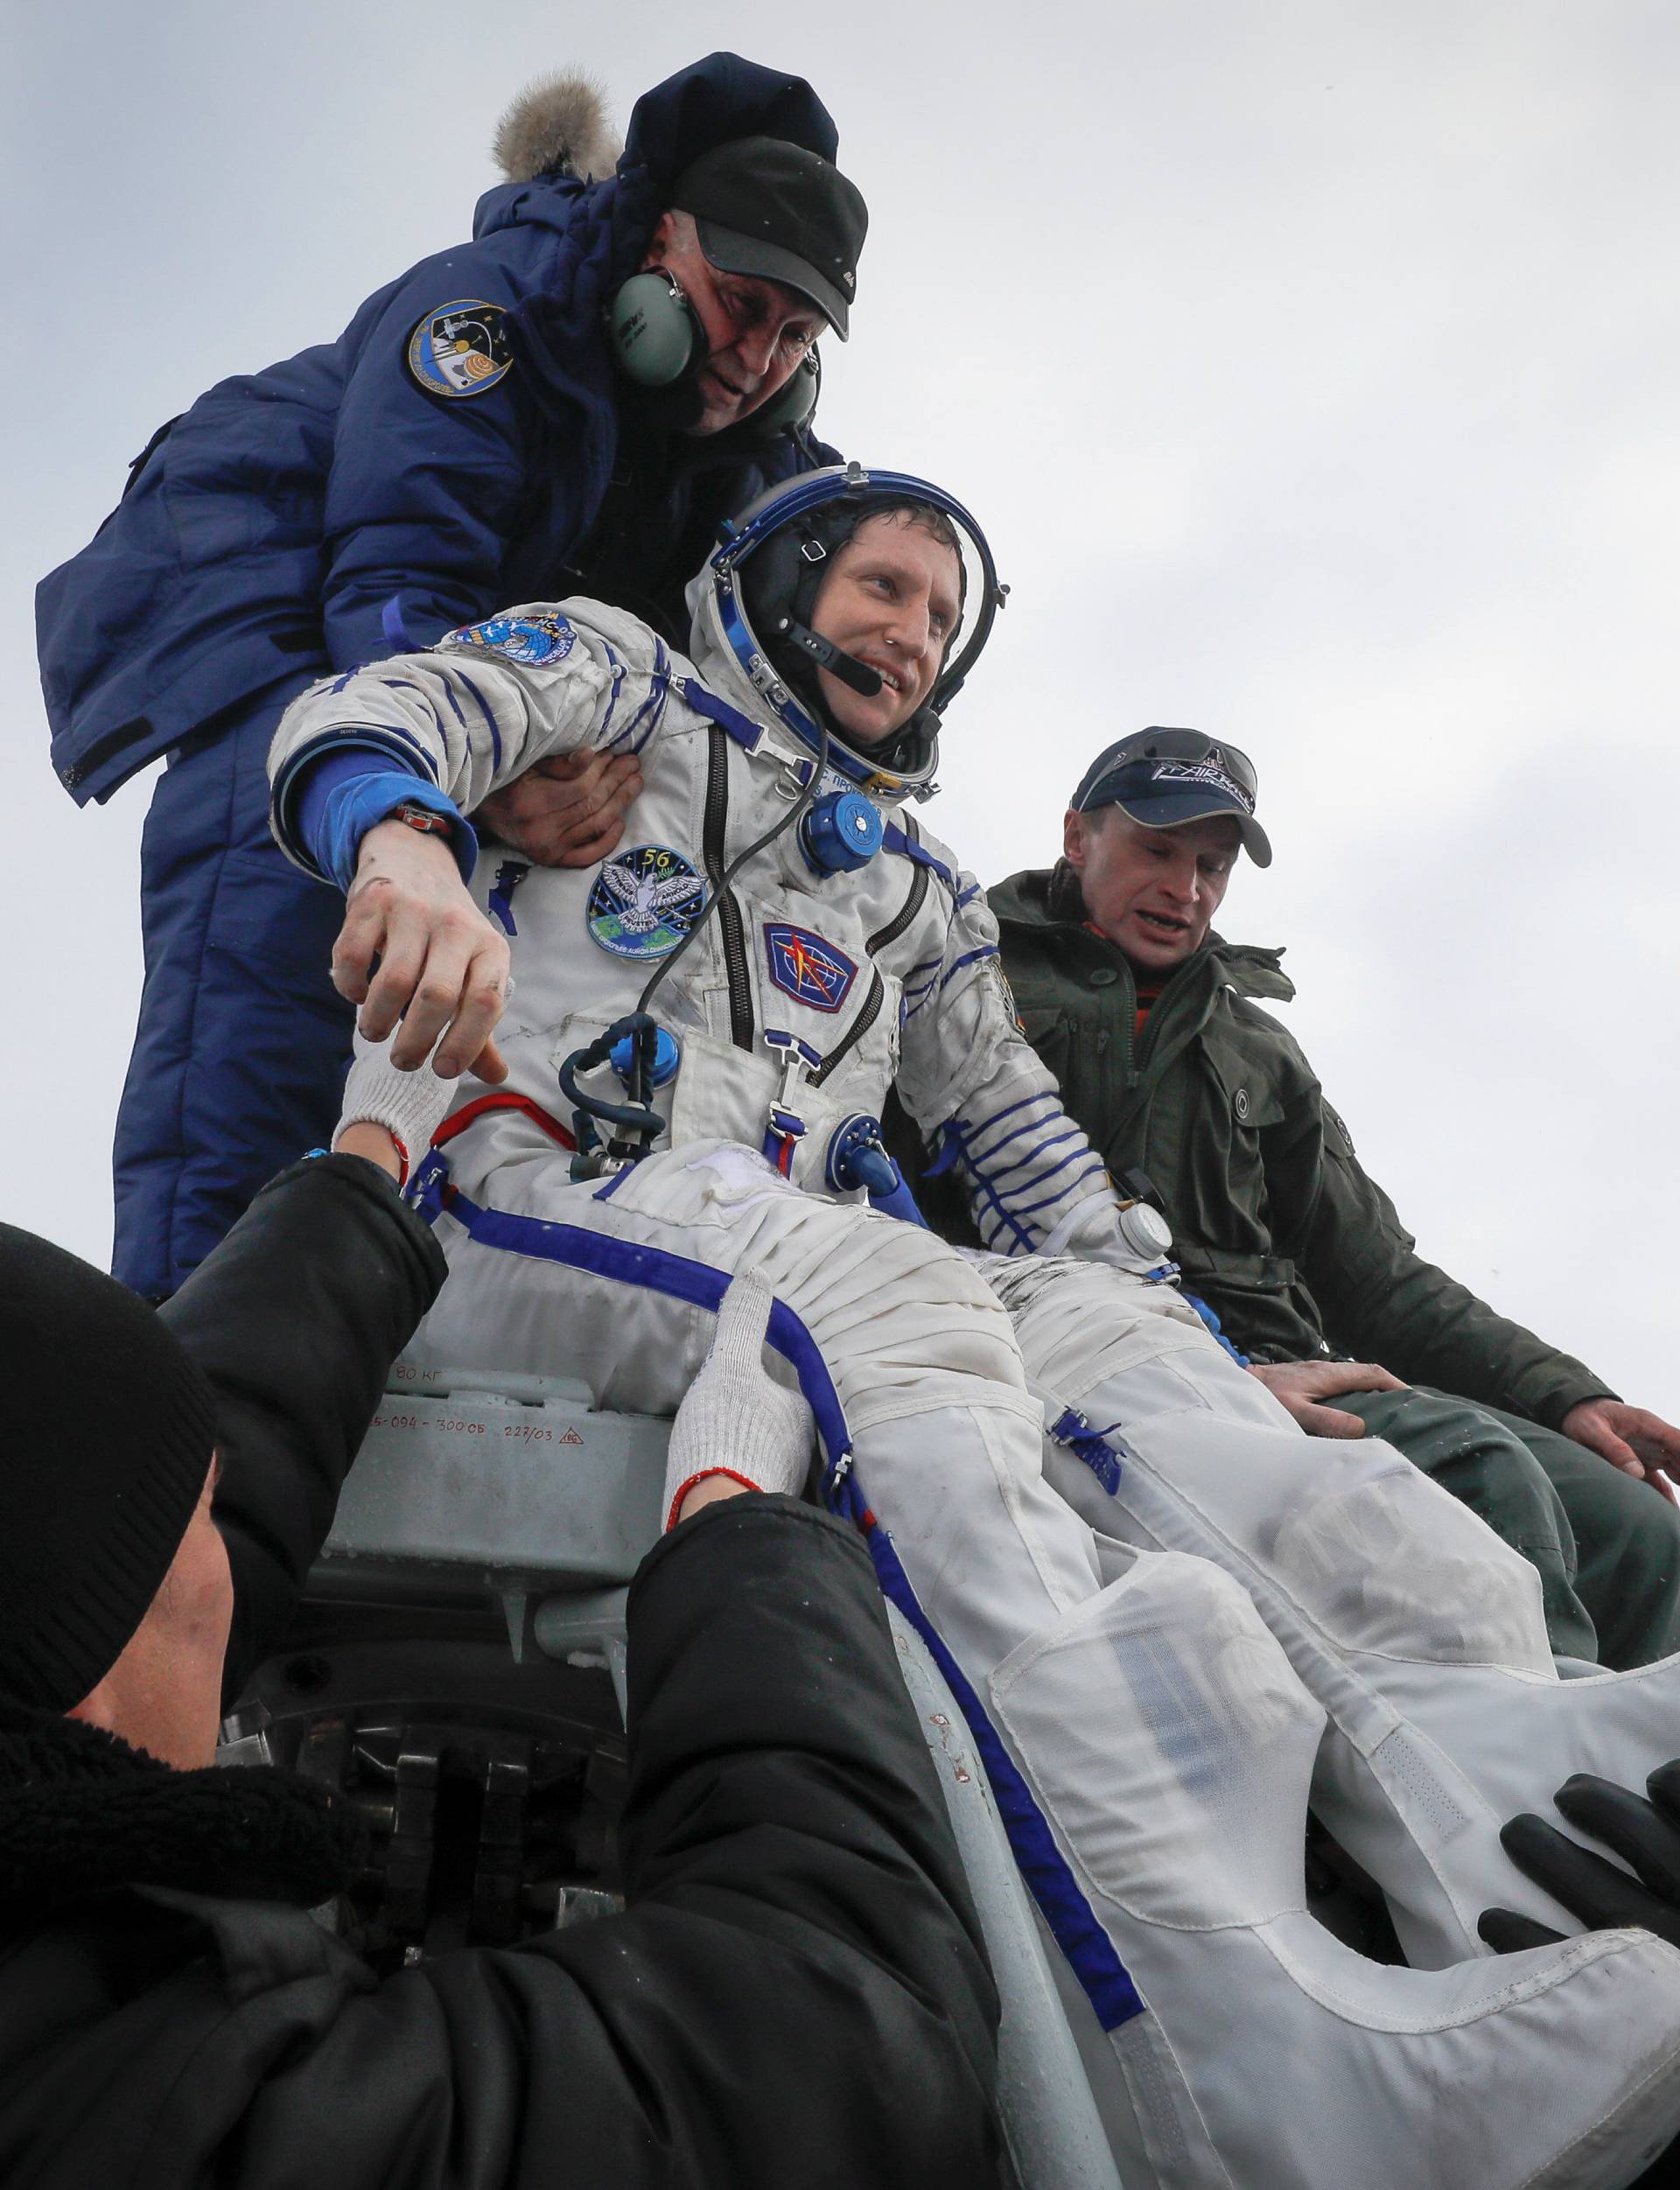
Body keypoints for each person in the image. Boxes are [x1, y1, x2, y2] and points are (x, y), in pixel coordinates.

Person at [262, 462, 1680, 2190]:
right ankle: (1227, 2044)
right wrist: (407, 841)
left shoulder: (920, 891)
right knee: (888, 1288)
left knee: (1124, 1340)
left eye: (939, 616)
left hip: (779, 1233)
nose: (912, 635)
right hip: (528, 1191)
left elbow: (1020, 1140)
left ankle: (1500, 1789)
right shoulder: (618, 674)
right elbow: (386, 703)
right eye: (880, 590)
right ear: (786, 580)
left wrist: (1205, 1350)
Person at [0, 1120, 1000, 2185]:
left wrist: (364, 1163)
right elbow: (835, 2062)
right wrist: (739, 1526)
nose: (223, 1524)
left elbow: (119, 1484)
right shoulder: (145, 2121)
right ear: (87, 1680)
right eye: (204, 1513)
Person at [35, 51, 864, 1303]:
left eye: (795, 334)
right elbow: (396, 578)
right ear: (658, 244)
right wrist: (486, 784)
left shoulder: (765, 466)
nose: (757, 356)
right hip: (282, 631)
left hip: (482, 701)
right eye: (741, 303)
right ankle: (178, 1408)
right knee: (279, 993)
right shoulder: (490, 313)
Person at [947, 726, 1680, 1670]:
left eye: (1213, 865)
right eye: (1158, 850)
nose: (1187, 889)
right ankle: (1547, 1776)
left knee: (1635, 1530)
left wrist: (1568, 1394)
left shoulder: (1257, 1046)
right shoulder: (965, 971)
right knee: (1474, 1470)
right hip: (1103, 1361)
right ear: (1079, 837)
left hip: (1295, 1372)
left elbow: (1378, 1280)